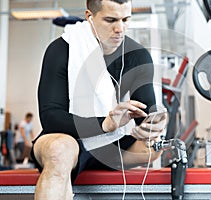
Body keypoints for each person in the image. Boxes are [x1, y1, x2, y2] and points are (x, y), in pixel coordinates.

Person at [31, 0, 167, 199]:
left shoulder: (137, 55)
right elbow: (51, 118)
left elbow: (147, 114)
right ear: (90, 17)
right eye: (110, 20)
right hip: (68, 138)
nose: (120, 28)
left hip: (112, 145)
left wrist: (154, 124)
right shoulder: (61, 50)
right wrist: (105, 123)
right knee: (60, 150)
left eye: (125, 19)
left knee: (153, 145)